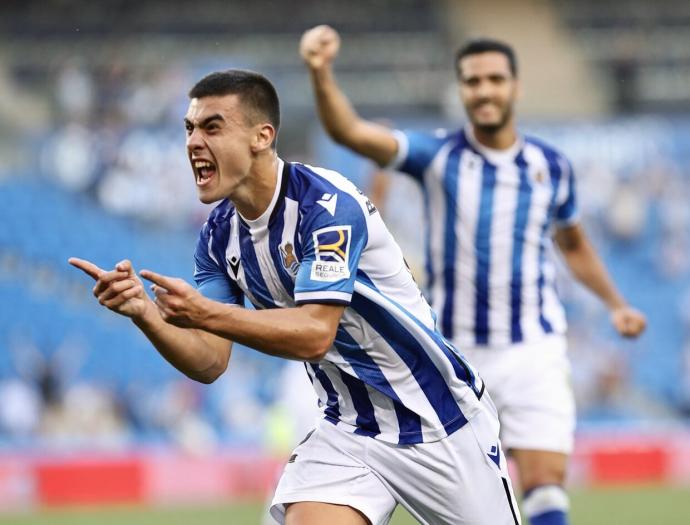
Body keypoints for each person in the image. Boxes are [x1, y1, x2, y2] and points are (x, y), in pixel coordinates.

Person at [69, 69, 521, 525]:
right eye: (189, 128)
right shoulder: (217, 236)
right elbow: (210, 362)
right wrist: (144, 312)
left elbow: (313, 335)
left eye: (212, 127)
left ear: (262, 136)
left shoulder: (326, 205)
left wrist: (205, 312)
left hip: (439, 423)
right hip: (349, 431)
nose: (193, 142)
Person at [300, 26, 647, 525]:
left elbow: (573, 245)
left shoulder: (551, 166)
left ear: (515, 87)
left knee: (546, 485)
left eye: (494, 80)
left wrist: (616, 303)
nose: (484, 90)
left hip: (533, 349)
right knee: (461, 502)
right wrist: (320, 72)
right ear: (461, 89)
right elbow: (351, 132)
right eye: (472, 81)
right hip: (455, 354)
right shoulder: (437, 156)